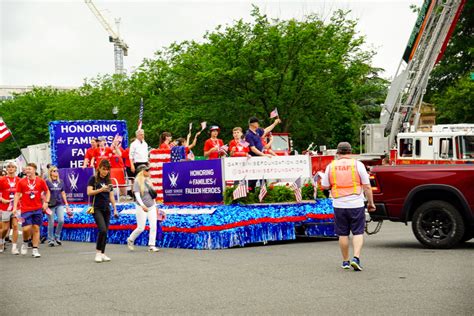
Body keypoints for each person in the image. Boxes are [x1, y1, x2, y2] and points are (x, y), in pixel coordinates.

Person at [321, 142, 376, 271]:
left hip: (339, 203)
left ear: (338, 153)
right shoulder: (358, 165)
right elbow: (367, 186)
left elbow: (324, 186)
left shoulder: (331, 166)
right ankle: (356, 258)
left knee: (343, 234)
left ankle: (345, 261)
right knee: (358, 232)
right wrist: (371, 203)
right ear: (350, 152)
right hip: (356, 202)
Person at [13, 163, 50, 258]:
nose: (27, 171)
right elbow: (17, 195)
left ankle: (35, 249)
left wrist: (46, 202)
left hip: (38, 208)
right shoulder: (21, 182)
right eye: (26, 169)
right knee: (26, 228)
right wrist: (14, 207)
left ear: (34, 170)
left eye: (29, 169)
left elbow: (47, 191)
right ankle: (25, 242)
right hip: (25, 209)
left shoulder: (40, 181)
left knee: (36, 229)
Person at [87, 159, 118, 263]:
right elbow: (89, 192)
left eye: (107, 170)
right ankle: (98, 253)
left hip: (106, 208)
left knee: (106, 231)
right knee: (102, 230)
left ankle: (103, 253)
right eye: (103, 169)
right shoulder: (93, 179)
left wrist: (115, 209)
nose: (105, 171)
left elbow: (111, 196)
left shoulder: (109, 181)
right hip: (96, 208)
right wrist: (101, 189)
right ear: (99, 168)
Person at [126, 164, 160, 252]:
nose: (149, 172)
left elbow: (152, 195)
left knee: (153, 226)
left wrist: (155, 206)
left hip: (151, 205)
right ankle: (130, 239)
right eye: (147, 170)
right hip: (141, 207)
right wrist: (142, 205)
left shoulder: (149, 181)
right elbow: (137, 195)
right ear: (143, 172)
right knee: (141, 227)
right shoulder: (137, 181)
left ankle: (152, 245)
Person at [0, 161, 20, 254]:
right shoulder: (2, 180)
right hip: (5, 206)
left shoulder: (19, 180)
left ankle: (14, 247)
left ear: (16, 169)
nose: (11, 168)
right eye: (9, 167)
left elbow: (23, 192)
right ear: (6, 169)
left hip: (16, 206)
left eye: (12, 167)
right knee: (5, 228)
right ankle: (1, 240)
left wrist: (19, 197)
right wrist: (2, 199)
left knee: (15, 226)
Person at [45, 166, 69, 247]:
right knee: (51, 222)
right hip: (50, 204)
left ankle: (57, 237)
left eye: (57, 171)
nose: (56, 172)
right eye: (54, 171)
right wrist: (45, 202)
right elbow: (44, 193)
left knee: (61, 220)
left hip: (59, 203)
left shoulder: (61, 181)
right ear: (50, 172)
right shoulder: (47, 182)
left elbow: (63, 193)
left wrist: (66, 203)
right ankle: (50, 240)